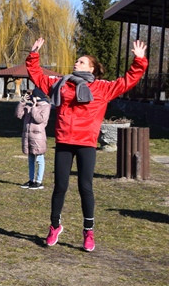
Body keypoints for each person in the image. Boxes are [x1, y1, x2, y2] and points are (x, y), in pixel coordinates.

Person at [27, 37, 148, 251]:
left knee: (85, 188)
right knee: (60, 186)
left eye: (82, 62)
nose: (76, 63)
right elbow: (37, 76)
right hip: (64, 141)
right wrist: (34, 54)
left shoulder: (102, 88)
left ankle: (88, 232)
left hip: (86, 144)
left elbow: (127, 81)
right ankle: (55, 227)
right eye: (76, 61)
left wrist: (139, 61)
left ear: (92, 68)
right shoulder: (61, 84)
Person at [15, 87, 51, 190]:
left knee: (39, 159)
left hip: (38, 137)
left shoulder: (46, 106)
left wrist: (34, 106)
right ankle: (31, 180)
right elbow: (18, 115)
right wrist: (22, 102)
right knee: (30, 159)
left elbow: (39, 119)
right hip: (28, 136)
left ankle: (39, 182)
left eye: (33, 96)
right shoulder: (28, 105)